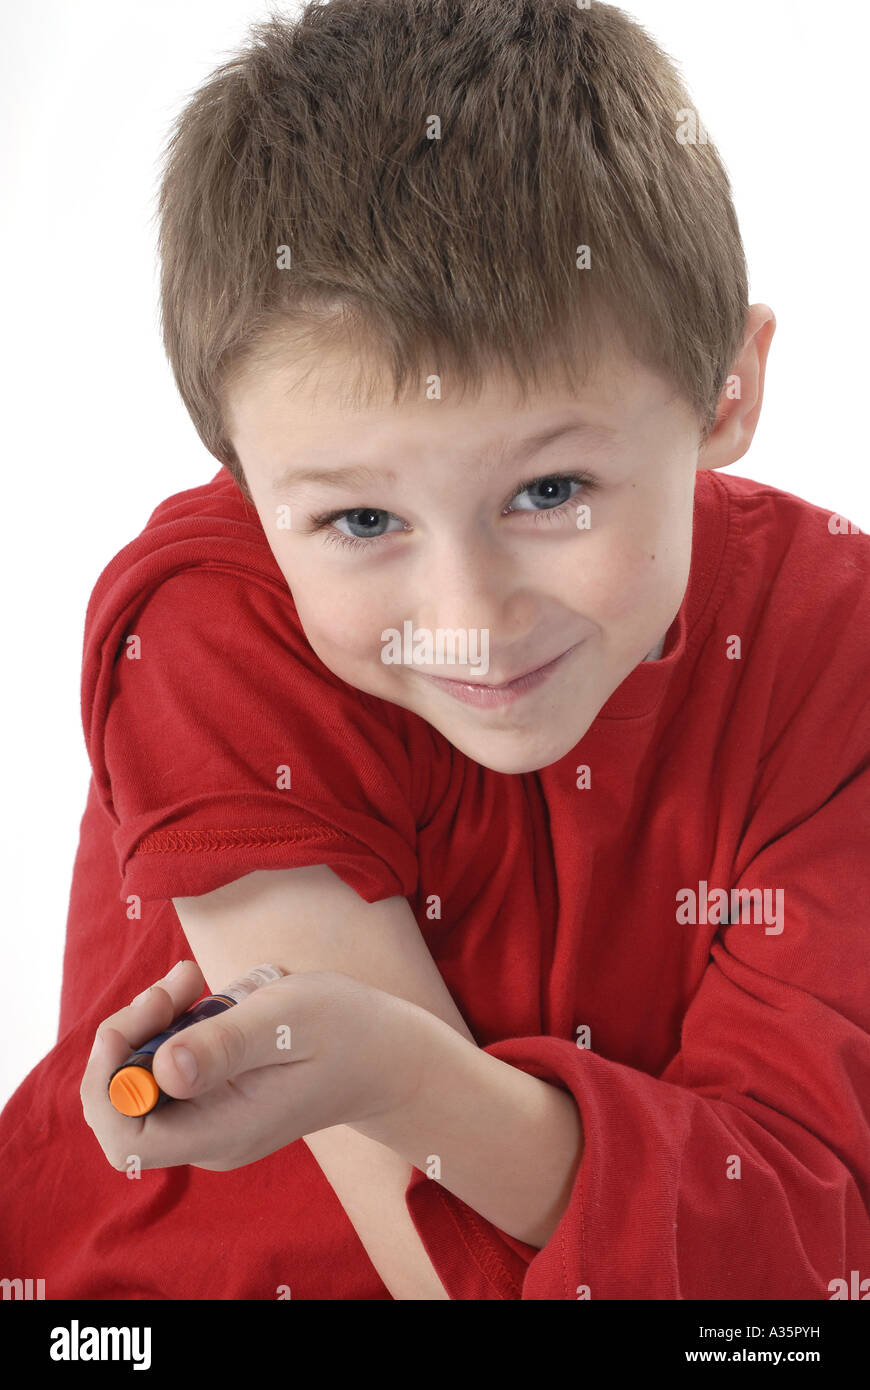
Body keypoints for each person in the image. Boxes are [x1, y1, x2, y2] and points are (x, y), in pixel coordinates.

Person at [1, 0, 868, 1301]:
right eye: (360, 518)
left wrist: (401, 1076)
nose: (467, 612)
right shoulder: (209, 627)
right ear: (244, 480)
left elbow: (795, 1245)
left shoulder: (829, 648)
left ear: (724, 396)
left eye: (549, 489)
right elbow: (442, 1269)